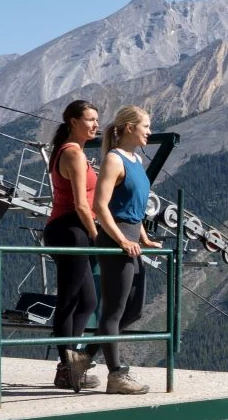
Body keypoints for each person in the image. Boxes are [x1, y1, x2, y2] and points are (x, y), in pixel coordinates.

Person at [91, 106, 162, 395]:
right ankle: (116, 375)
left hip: (131, 238)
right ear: (130, 127)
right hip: (116, 239)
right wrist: (122, 239)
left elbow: (132, 207)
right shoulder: (113, 159)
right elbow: (100, 207)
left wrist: (142, 236)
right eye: (145, 126)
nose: (149, 131)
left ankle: (83, 357)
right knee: (114, 309)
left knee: (133, 309)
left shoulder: (135, 159)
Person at [43, 100, 102, 391]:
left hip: (68, 230)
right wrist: (95, 235)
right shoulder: (74, 154)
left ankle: (70, 364)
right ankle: (67, 368)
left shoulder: (68, 151)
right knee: (68, 301)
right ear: (72, 122)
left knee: (87, 301)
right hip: (71, 231)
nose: (95, 125)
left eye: (96, 120)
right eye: (90, 119)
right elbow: (80, 204)